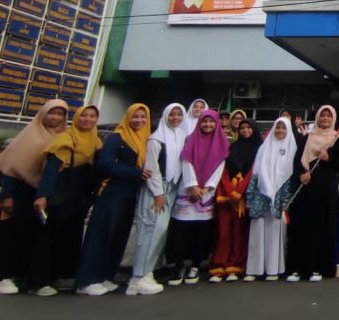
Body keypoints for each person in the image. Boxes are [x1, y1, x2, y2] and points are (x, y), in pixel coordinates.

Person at [0, 100, 69, 296]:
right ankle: (5, 276)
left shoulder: (64, 137)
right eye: (52, 113)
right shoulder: (29, 135)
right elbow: (11, 167)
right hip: (20, 192)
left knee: (35, 238)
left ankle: (27, 277)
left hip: (44, 195)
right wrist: (6, 196)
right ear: (43, 114)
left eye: (60, 114)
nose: (55, 118)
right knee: (13, 235)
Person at [77, 104, 151, 296]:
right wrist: (136, 173)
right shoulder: (117, 138)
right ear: (127, 117)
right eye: (135, 117)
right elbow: (106, 164)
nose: (139, 120)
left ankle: (105, 275)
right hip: (111, 193)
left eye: (143, 117)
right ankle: (88, 279)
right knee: (100, 235)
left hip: (129, 195)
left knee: (118, 236)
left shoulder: (144, 140)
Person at [28, 104, 101, 296]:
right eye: (84, 115)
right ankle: (38, 281)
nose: (88, 119)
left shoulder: (95, 141)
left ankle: (59, 276)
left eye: (92, 116)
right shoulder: (66, 138)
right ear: (77, 117)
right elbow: (51, 169)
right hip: (59, 196)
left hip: (78, 199)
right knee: (48, 238)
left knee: (69, 237)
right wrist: (42, 195)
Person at [127, 103, 189, 296]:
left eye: (179, 114)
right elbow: (152, 167)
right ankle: (138, 277)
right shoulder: (156, 139)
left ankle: (147, 272)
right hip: (157, 190)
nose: (176, 118)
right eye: (172, 114)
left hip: (171, 188)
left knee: (159, 231)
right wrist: (158, 193)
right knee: (150, 229)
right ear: (165, 116)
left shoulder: (181, 137)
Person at [166, 109, 229, 286]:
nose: (207, 125)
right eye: (204, 121)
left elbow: (219, 167)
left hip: (206, 195)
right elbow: (187, 162)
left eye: (211, 122)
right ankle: (178, 266)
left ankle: (195, 265)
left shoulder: (222, 142)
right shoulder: (191, 140)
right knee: (181, 231)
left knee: (201, 232)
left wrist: (207, 188)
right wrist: (192, 185)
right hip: (188, 193)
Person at [287, 105, 339, 282]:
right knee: (302, 226)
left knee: (321, 225)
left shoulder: (337, 139)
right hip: (306, 187)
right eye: (322, 116)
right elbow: (297, 159)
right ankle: (298, 268)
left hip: (326, 189)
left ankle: (318, 267)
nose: (325, 119)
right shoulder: (307, 137)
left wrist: (329, 159)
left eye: (329, 116)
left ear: (334, 119)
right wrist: (301, 173)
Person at [209, 118, 262, 283]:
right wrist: (230, 191)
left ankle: (236, 266)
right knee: (224, 232)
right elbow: (222, 171)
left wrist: (240, 192)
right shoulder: (231, 148)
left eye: (248, 127)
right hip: (227, 196)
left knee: (240, 234)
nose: (245, 130)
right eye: (242, 128)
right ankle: (219, 265)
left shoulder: (260, 150)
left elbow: (254, 172)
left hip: (246, 196)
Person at [244, 117, 296, 282]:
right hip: (261, 194)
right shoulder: (263, 148)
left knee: (276, 232)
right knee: (257, 232)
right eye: (277, 127)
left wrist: (286, 199)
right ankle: (254, 269)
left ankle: (274, 269)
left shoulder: (293, 149)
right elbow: (256, 173)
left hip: (280, 195)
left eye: (283, 128)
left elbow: (290, 176)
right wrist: (250, 196)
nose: (280, 131)